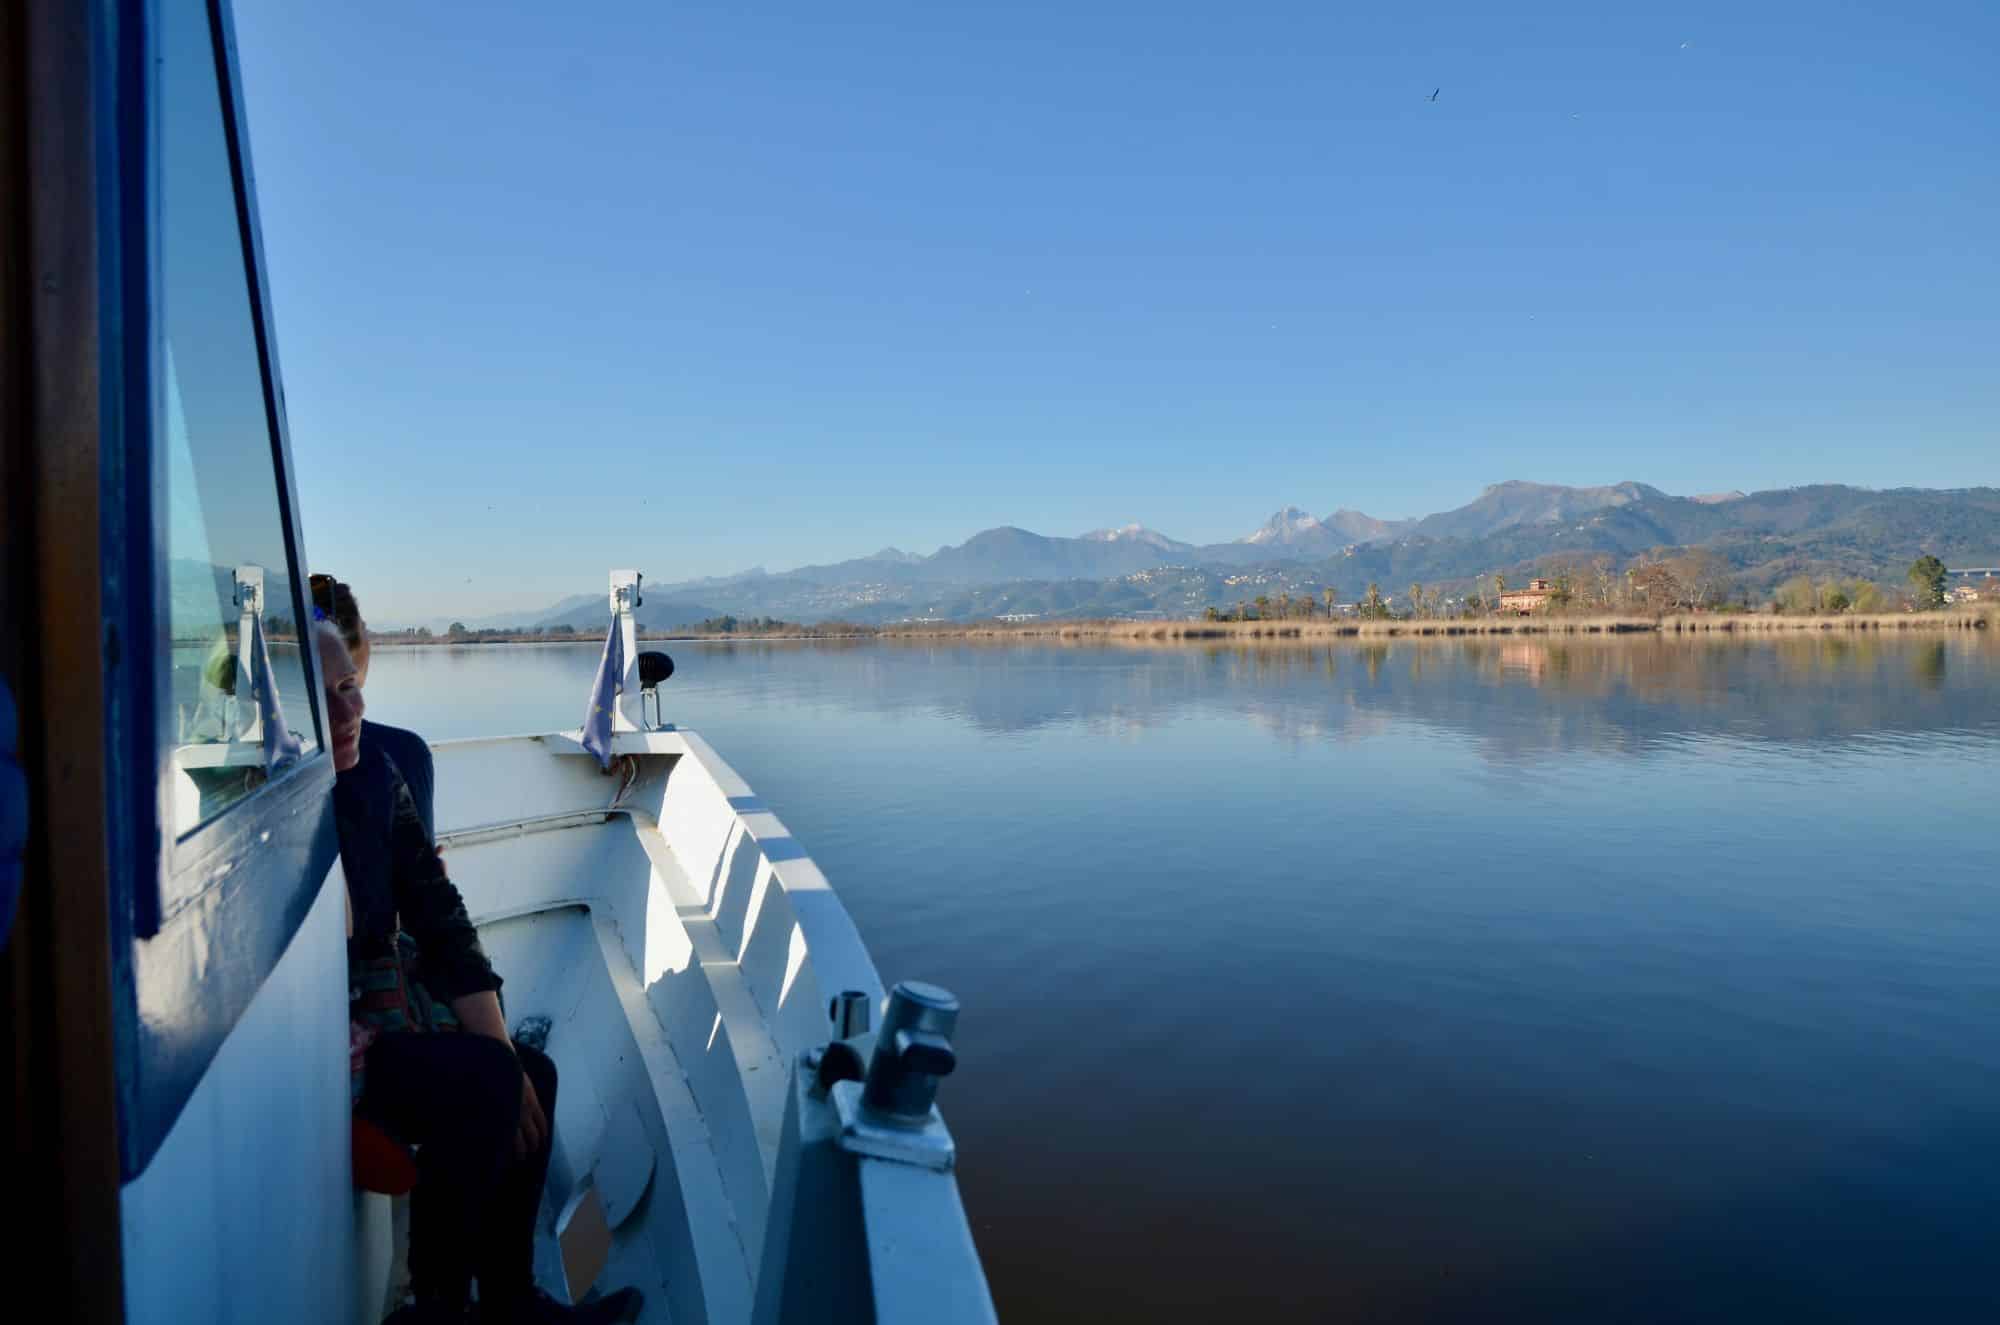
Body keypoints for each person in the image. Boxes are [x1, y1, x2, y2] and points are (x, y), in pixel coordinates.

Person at [318, 622, 642, 1324]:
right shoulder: (286, 802)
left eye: (351, 688)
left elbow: (441, 916)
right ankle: (435, 1305)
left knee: (532, 1074)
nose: (348, 715)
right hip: (315, 1053)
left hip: (371, 1028)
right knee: (492, 1082)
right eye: (323, 698)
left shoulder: (376, 777)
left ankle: (508, 1298)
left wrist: (500, 1049)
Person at [312, 574, 436, 837]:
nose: (346, 714)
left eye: (346, 688)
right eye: (364, 628)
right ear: (349, 648)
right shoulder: (402, 755)